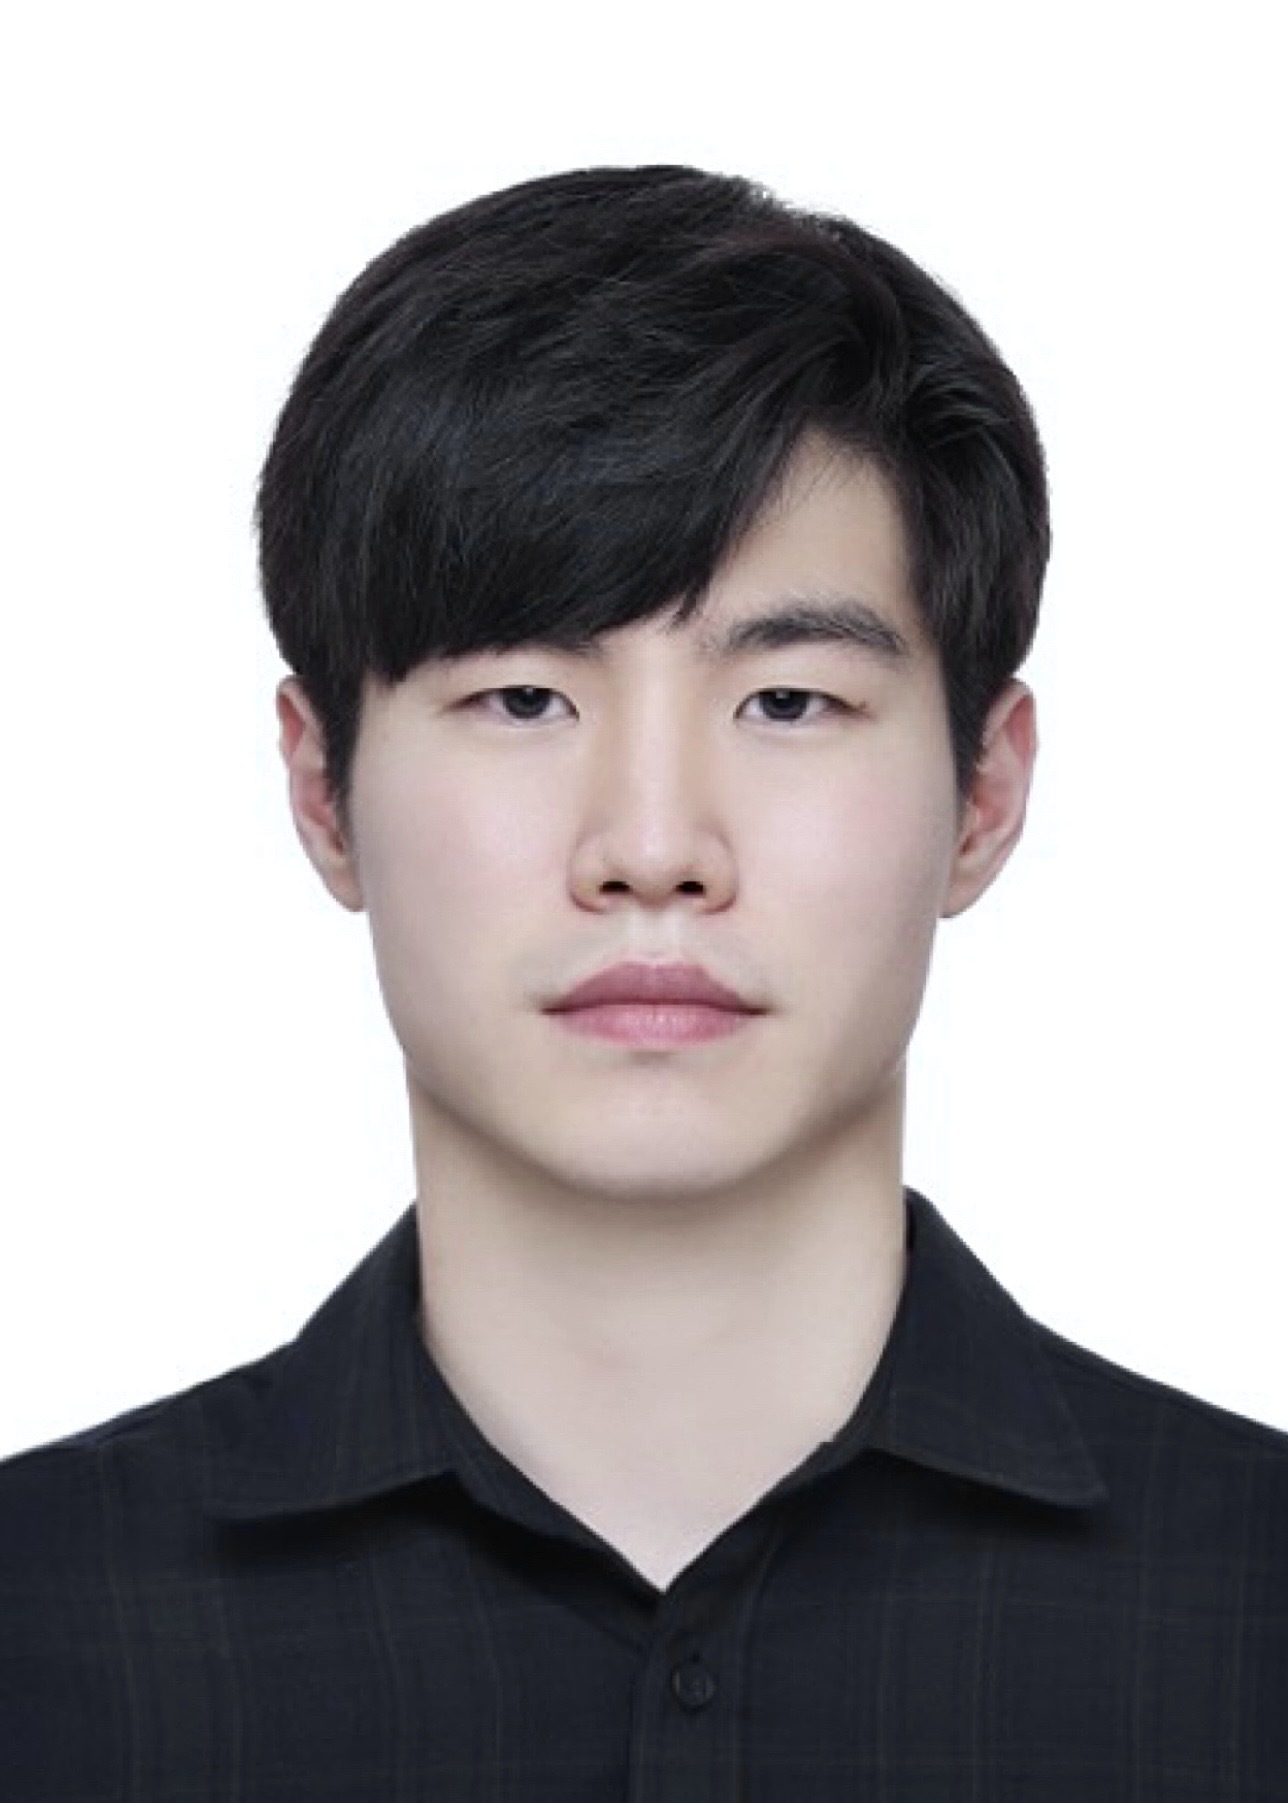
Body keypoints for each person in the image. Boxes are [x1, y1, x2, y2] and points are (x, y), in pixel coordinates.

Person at [2, 163, 1285, 1798]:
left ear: (984, 793)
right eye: (524, 699)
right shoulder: (39, 1637)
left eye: (789, 702)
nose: (655, 848)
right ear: (322, 790)